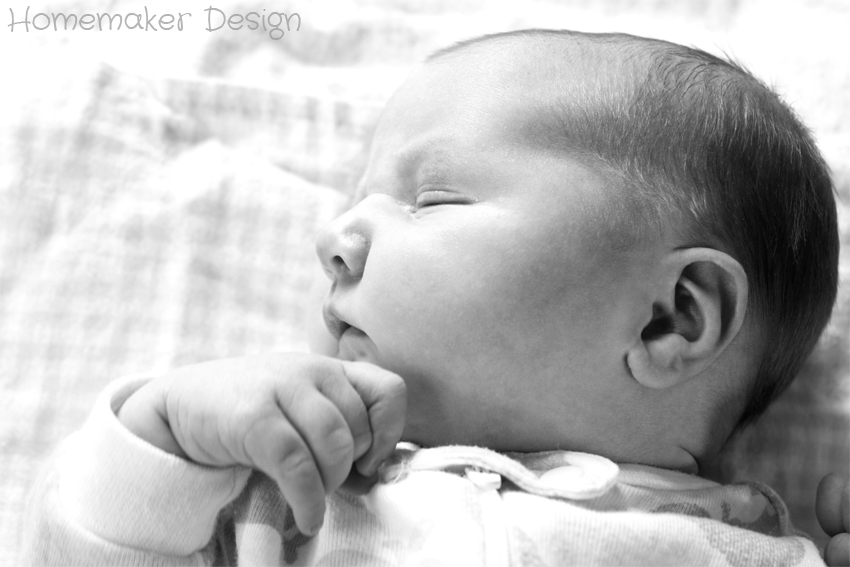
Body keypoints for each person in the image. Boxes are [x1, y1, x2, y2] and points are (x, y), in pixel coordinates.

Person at [23, 29, 849, 566]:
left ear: (671, 318)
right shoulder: (286, 491)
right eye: (357, 198)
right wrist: (163, 440)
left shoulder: (744, 553)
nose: (333, 235)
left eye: (430, 199)